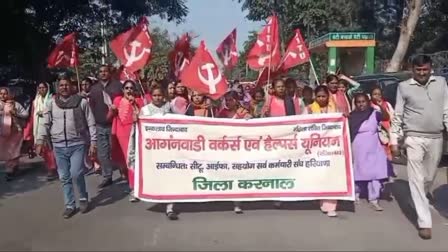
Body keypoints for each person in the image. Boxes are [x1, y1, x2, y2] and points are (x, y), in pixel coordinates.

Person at [390, 55, 448, 240]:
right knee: (415, 178)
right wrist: (394, 140)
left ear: (431, 68)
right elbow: (398, 115)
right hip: (413, 137)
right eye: (418, 70)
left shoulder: (441, 83)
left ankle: (420, 197)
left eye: (425, 70)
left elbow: (447, 109)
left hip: (436, 137)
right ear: (412, 69)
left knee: (429, 177)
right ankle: (424, 222)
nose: (422, 73)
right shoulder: (404, 86)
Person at [36, 77, 97, 219]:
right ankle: (69, 205)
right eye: (61, 85)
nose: (64, 87)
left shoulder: (81, 102)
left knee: (76, 173)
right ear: (58, 87)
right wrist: (40, 140)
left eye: (66, 85)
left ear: (72, 87)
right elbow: (45, 124)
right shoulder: (52, 103)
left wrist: (93, 142)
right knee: (64, 177)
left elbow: (91, 122)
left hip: (77, 143)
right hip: (58, 145)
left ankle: (83, 197)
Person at [139, 85, 177, 220]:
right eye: (154, 95)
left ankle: (170, 207)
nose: (157, 98)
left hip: (167, 149)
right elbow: (138, 130)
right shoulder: (145, 110)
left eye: (159, 95)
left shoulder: (169, 108)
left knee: (169, 177)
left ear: (163, 96)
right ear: (151, 96)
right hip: (151, 151)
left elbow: (179, 123)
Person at [349, 93, 389, 211]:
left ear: (368, 101)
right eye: (358, 102)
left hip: (374, 147)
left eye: (363, 101)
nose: (361, 104)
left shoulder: (374, 113)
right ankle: (355, 194)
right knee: (358, 170)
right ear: (355, 104)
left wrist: (382, 106)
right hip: (358, 146)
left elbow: (386, 117)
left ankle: (374, 199)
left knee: (375, 172)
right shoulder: (352, 116)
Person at [307, 85, 339, 217]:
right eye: (318, 96)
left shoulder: (334, 108)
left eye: (323, 96)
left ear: (328, 96)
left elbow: (340, 123)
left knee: (330, 174)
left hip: (332, 147)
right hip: (315, 147)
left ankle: (330, 205)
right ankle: (319, 197)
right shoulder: (309, 109)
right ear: (315, 96)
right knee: (319, 174)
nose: (321, 98)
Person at [217, 90, 251, 214]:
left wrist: (247, 118)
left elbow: (251, 125)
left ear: (236, 100)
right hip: (225, 148)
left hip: (239, 148)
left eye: (230, 100)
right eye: (226, 100)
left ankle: (237, 202)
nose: (228, 102)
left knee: (237, 174)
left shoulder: (243, 113)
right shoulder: (222, 113)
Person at [89, 65, 123, 188]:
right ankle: (107, 176)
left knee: (117, 150)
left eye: (105, 71)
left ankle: (123, 170)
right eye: (101, 71)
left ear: (109, 73)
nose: (103, 73)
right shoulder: (94, 89)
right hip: (99, 125)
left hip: (115, 124)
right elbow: (90, 107)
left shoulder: (118, 86)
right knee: (102, 153)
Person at [112, 80, 144, 202]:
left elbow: (142, 114)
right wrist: (112, 109)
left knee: (138, 159)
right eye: (126, 88)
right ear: (123, 90)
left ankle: (139, 186)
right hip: (123, 133)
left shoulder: (139, 101)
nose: (129, 90)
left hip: (137, 131)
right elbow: (110, 115)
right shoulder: (118, 100)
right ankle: (133, 188)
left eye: (131, 88)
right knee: (129, 159)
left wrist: (134, 103)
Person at [23, 82, 57, 181]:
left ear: (48, 89)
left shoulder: (52, 99)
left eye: (43, 88)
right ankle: (51, 167)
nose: (41, 90)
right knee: (42, 150)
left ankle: (53, 168)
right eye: (40, 88)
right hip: (38, 128)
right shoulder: (35, 101)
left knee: (50, 149)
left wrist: (45, 113)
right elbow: (32, 115)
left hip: (50, 127)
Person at [0, 87, 29, 181]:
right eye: (1, 94)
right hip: (3, 133)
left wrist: (16, 113)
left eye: (5, 93)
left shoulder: (15, 104)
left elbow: (25, 114)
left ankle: (10, 169)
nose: (3, 95)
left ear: (9, 94)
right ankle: (13, 167)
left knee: (14, 150)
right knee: (7, 151)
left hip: (15, 132)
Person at [370, 86, 396, 179]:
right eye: (374, 94)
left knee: (387, 152)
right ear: (371, 95)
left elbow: (392, 117)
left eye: (379, 94)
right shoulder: (369, 105)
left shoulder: (387, 104)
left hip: (386, 132)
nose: (377, 96)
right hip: (375, 132)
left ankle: (387, 171)